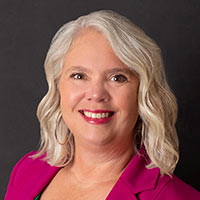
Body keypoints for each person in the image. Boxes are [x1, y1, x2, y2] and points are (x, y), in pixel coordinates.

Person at [5, 10, 200, 200]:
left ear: (143, 94)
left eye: (117, 78)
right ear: (58, 87)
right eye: (79, 76)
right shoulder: (27, 170)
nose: (96, 94)